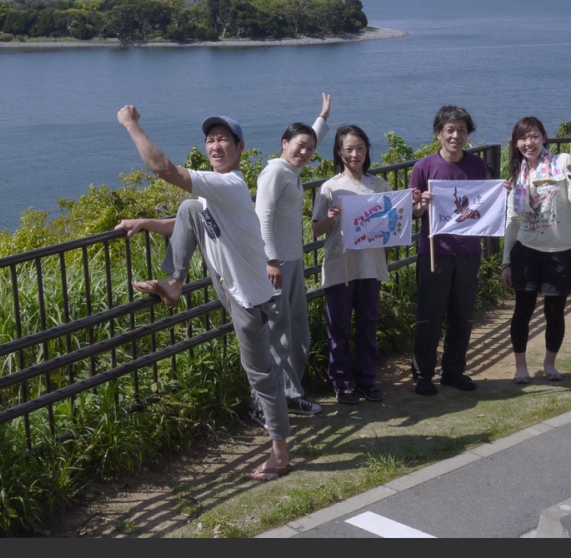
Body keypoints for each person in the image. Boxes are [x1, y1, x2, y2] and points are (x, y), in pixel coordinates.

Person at [114, 106, 291, 483]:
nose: (215, 145)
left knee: (261, 376)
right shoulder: (215, 191)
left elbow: (163, 168)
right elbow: (189, 223)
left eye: (224, 139)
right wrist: (145, 222)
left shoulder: (230, 184)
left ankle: (280, 454)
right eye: (210, 139)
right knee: (189, 207)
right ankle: (175, 283)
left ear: (240, 147)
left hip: (249, 299)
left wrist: (131, 125)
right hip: (232, 289)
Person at [251, 93, 332, 423]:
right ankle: (273, 401)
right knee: (279, 334)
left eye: (310, 148)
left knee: (296, 329)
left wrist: (322, 118)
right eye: (298, 146)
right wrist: (271, 260)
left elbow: (311, 138)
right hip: (277, 264)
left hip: (292, 262)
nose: (304, 152)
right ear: (283, 143)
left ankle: (290, 393)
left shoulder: (290, 170)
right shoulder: (275, 174)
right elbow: (262, 216)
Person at [409, 106, 490, 396]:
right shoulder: (424, 167)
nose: (456, 136)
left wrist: (500, 192)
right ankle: (422, 374)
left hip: (469, 251)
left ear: (468, 134)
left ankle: (454, 371)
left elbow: (485, 203)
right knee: (429, 314)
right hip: (435, 250)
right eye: (450, 130)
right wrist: (422, 204)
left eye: (462, 130)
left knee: (462, 314)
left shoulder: (477, 165)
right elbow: (414, 213)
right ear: (439, 133)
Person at [311, 124, 393, 404]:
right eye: (349, 149)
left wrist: (413, 205)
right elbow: (315, 230)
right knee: (340, 326)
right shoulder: (329, 188)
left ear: (367, 150)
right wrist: (330, 217)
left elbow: (394, 219)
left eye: (359, 148)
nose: (355, 154)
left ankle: (367, 379)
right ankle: (342, 381)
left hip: (370, 265)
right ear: (339, 152)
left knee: (368, 324)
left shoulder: (378, 185)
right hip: (339, 267)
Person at [500, 117, 571, 384]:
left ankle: (549, 364)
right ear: (516, 144)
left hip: (560, 250)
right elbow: (512, 221)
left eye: (534, 136)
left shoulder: (560, 163)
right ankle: (520, 367)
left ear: (544, 138)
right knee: (522, 311)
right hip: (526, 252)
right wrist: (506, 262)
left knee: (555, 313)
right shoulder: (516, 177)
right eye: (523, 138)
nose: (529, 143)